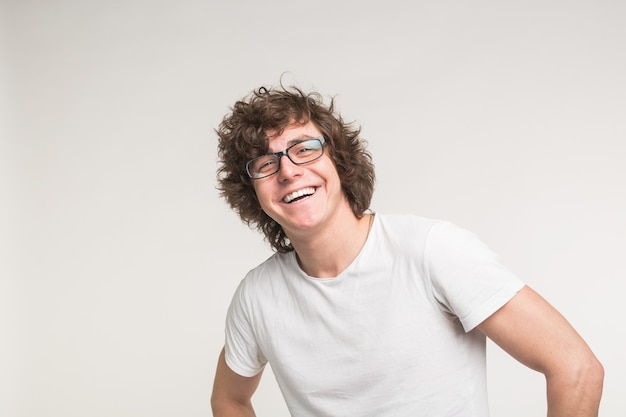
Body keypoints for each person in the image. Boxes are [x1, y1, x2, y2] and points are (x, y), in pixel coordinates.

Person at [210, 84, 604, 417]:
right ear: (253, 192)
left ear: (340, 160)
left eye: (305, 148)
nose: (288, 170)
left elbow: (576, 367)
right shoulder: (257, 296)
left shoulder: (432, 251)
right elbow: (229, 399)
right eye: (265, 162)